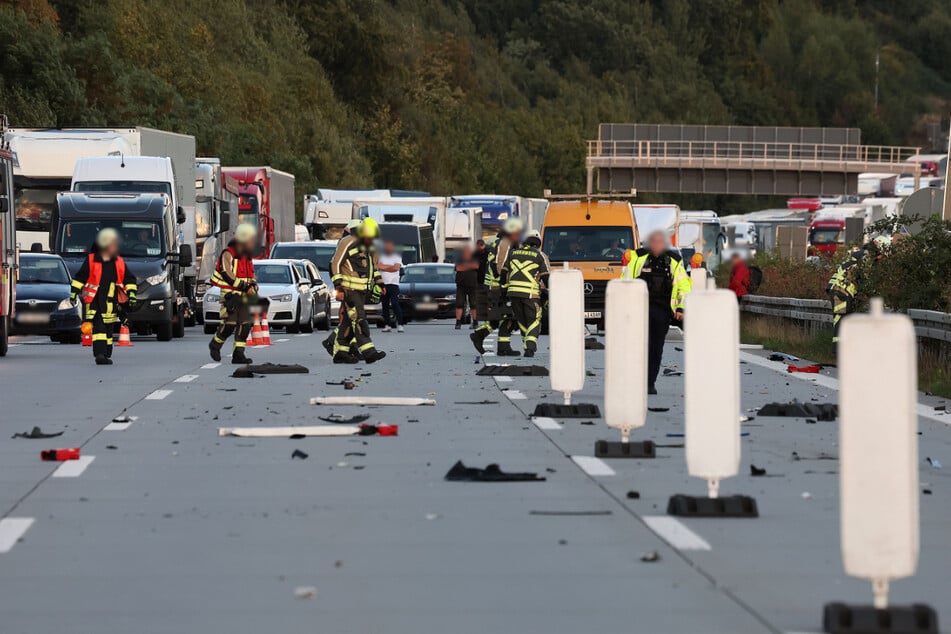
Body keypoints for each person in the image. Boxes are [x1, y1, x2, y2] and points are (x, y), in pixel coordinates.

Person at [624, 230, 691, 395]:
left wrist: (681, 308)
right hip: (639, 310)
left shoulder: (674, 260)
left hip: (662, 311)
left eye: (660, 242)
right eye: (654, 241)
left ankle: (649, 383)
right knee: (639, 347)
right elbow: (625, 280)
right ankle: (636, 381)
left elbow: (684, 286)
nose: (657, 245)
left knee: (656, 348)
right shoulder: (637, 257)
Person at [70, 228, 138, 365]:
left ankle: (106, 354)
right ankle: (100, 354)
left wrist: (131, 295)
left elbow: (129, 279)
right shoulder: (91, 260)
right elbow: (80, 277)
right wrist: (74, 293)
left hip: (111, 302)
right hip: (94, 302)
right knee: (99, 329)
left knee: (108, 331)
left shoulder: (118, 262)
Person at [330, 217, 386, 364]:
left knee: (348, 323)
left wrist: (380, 284)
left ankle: (340, 353)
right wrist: (338, 286)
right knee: (359, 320)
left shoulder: (371, 247)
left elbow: (374, 267)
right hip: (349, 290)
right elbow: (336, 263)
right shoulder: (347, 241)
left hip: (362, 291)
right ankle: (369, 352)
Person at [470, 217, 522, 356]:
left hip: (492, 286)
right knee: (508, 316)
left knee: (497, 318)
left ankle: (479, 336)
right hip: (497, 287)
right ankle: (503, 347)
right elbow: (500, 265)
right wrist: (504, 285)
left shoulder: (498, 243)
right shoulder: (505, 243)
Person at [208, 223, 259, 364]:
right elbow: (227, 274)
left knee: (245, 324)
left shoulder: (247, 256)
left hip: (244, 295)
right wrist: (244, 287)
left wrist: (253, 285)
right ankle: (215, 344)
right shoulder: (228, 253)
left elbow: (251, 275)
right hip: (231, 295)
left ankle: (238, 354)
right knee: (229, 324)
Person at [827, 235, 890, 343]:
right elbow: (865, 280)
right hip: (841, 291)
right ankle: (839, 351)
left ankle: (842, 350)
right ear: (878, 250)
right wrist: (876, 297)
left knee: (843, 320)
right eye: (882, 254)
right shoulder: (866, 257)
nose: (882, 258)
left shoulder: (862, 254)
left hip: (839, 290)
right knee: (841, 320)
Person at [501, 230, 549, 358]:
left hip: (513, 293)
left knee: (522, 320)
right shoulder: (538, 255)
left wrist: (504, 289)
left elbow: (503, 273)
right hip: (530, 294)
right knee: (534, 320)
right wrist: (549, 291)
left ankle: (526, 346)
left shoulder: (513, 253)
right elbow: (545, 276)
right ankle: (530, 347)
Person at [378, 240, 404, 333]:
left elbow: (396, 268)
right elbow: (379, 266)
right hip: (383, 284)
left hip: (393, 284)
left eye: (390, 246)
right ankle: (387, 325)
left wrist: (384, 267)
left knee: (395, 303)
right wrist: (389, 267)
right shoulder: (381, 256)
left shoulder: (397, 256)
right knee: (384, 305)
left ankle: (400, 324)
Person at [454, 244, 480, 329]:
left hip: (472, 285)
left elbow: (476, 266)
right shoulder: (460, 259)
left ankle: (475, 322)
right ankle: (458, 322)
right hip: (461, 285)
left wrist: (464, 266)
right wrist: (469, 266)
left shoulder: (474, 258)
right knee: (459, 304)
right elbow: (458, 268)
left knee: (474, 304)